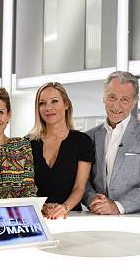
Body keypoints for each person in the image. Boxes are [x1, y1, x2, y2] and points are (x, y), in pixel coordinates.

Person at [83, 71, 140, 214]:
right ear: (104, 98)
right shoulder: (88, 137)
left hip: (139, 220)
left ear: (134, 102)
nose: (117, 106)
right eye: (112, 97)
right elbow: (83, 182)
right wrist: (92, 200)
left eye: (124, 100)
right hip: (97, 219)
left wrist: (118, 206)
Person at [29, 82, 94, 219]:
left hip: (70, 215)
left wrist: (64, 208)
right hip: (37, 216)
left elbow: (79, 187)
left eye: (54, 101)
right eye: (42, 103)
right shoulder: (28, 143)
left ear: (66, 104)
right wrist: (41, 207)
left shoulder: (82, 141)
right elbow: (24, 188)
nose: (48, 108)